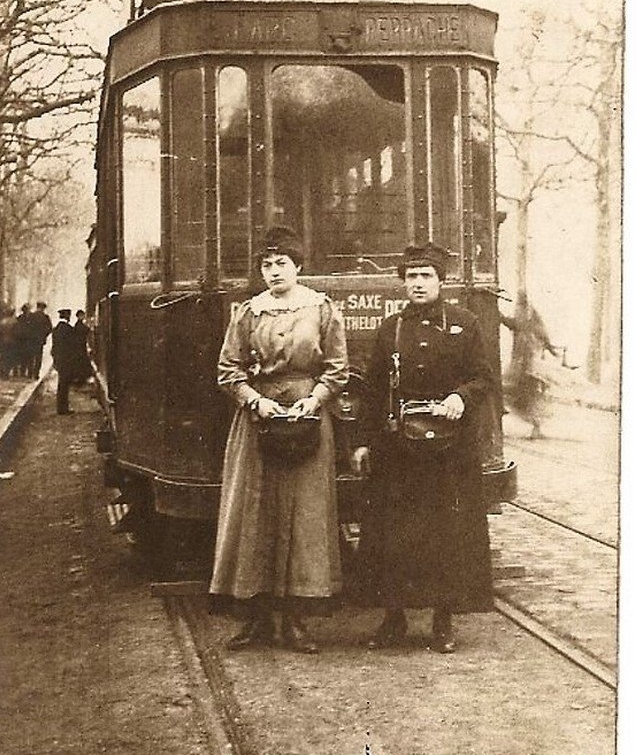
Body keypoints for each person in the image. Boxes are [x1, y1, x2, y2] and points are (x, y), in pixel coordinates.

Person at [209, 225, 349, 654]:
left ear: (298, 266)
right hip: (258, 424)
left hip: (307, 423)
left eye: (281, 264)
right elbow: (227, 371)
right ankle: (254, 619)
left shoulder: (322, 309)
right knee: (254, 514)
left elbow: (338, 367)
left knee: (304, 518)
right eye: (266, 265)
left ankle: (296, 621)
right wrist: (255, 401)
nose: (273, 272)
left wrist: (315, 399)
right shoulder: (248, 313)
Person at [353, 242, 494, 653]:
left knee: (446, 535)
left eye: (425, 276)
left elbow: (484, 377)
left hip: (449, 451)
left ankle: (442, 622)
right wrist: (363, 442)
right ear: (402, 282)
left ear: (440, 281)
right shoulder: (390, 329)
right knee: (393, 534)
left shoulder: (464, 324)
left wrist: (461, 397)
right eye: (411, 277)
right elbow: (375, 390)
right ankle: (393, 619)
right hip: (399, 450)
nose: (417, 284)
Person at [500, 290, 558, 439]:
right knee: (523, 395)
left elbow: (517, 325)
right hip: (523, 362)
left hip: (526, 364)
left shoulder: (527, 316)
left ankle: (536, 428)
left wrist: (500, 317)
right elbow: (541, 334)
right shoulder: (531, 316)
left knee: (525, 395)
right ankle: (535, 428)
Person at [51, 309, 75, 415]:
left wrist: (55, 359)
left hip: (59, 360)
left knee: (61, 383)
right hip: (67, 360)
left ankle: (60, 407)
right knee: (65, 384)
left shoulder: (56, 329)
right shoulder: (69, 329)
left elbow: (54, 348)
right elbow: (72, 346)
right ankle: (63, 408)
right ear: (67, 317)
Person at [29, 301, 53, 379]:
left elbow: (27, 327)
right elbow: (50, 328)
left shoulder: (31, 316)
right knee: (38, 357)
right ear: (43, 308)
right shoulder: (45, 317)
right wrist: (44, 335)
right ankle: (36, 374)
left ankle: (30, 373)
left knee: (31, 356)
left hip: (31, 339)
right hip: (40, 340)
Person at [73, 310, 93, 385]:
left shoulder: (78, 324)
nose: (83, 317)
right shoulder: (79, 324)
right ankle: (81, 378)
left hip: (80, 345)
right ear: (79, 316)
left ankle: (80, 377)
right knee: (81, 360)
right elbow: (85, 330)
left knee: (80, 361)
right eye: (81, 315)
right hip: (80, 345)